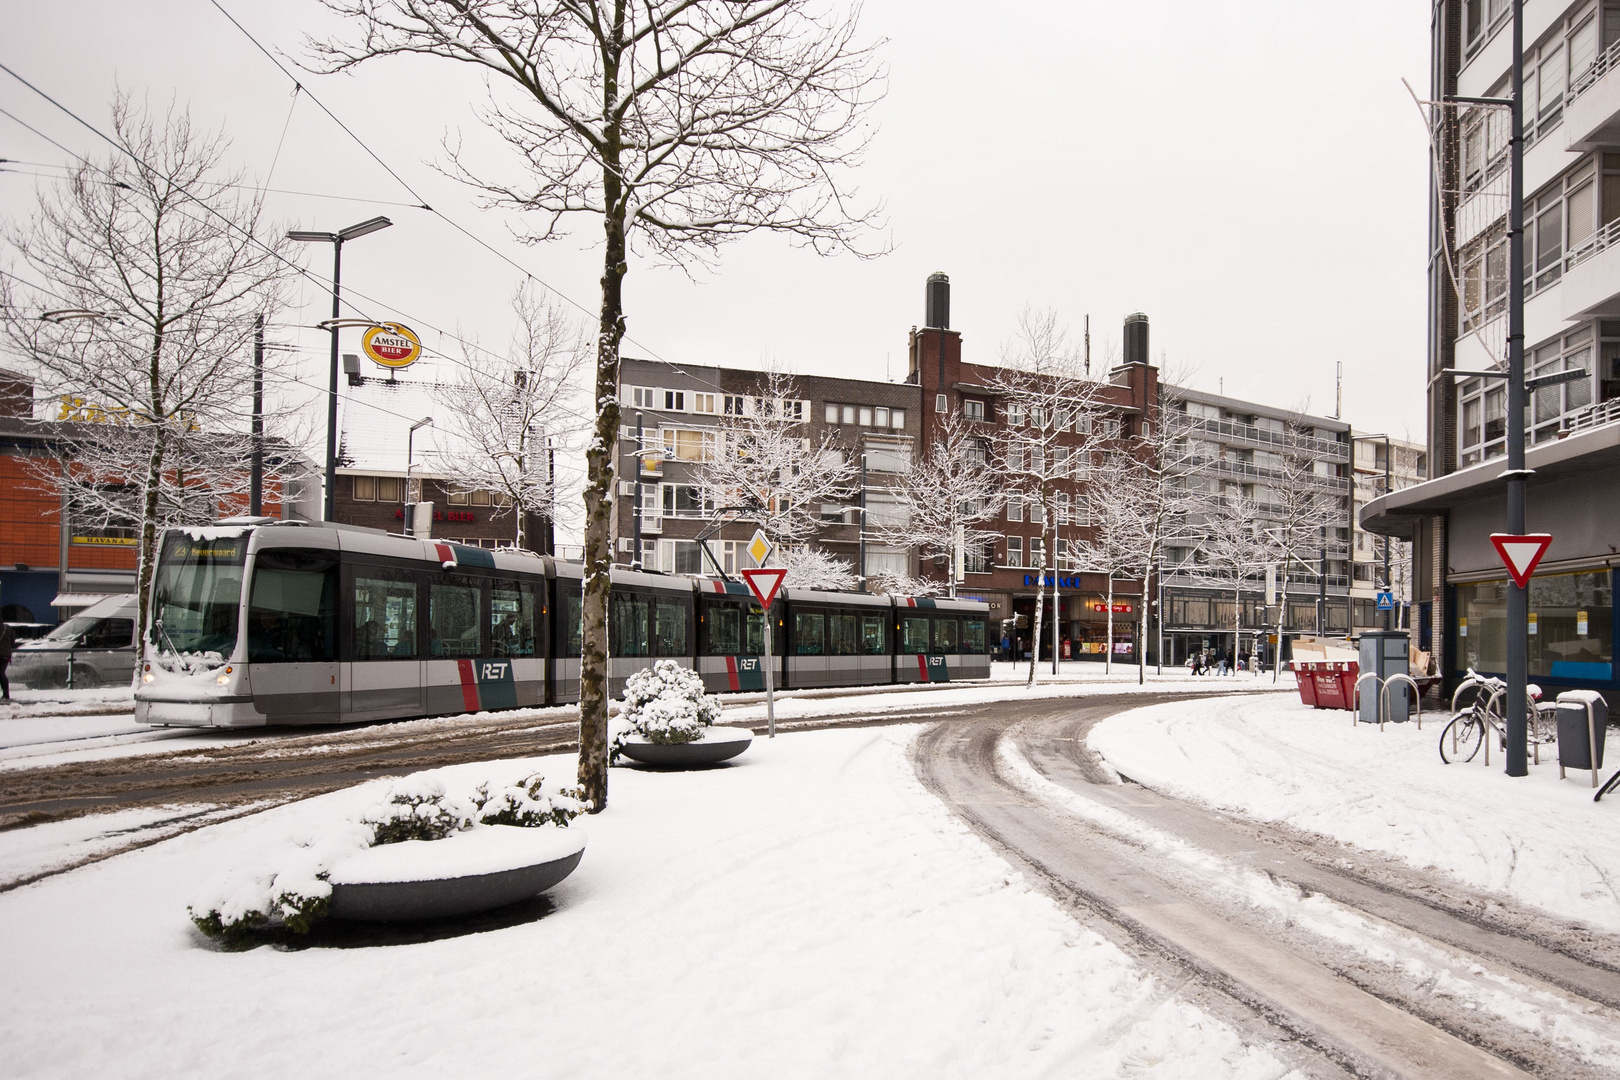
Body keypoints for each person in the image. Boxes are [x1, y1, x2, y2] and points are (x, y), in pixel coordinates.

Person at [0, 620, 13, 700]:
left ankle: (5, 694)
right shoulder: (7, 627)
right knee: (1, 673)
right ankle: (6, 693)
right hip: (6, 653)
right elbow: (13, 640)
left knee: (1, 674)